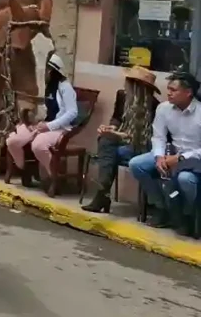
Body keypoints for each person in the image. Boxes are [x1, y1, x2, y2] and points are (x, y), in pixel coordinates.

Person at [82, 66, 161, 213]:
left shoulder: (154, 106)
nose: (125, 84)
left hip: (141, 146)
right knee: (106, 140)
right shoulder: (122, 96)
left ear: (137, 86)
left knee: (112, 152)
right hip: (121, 140)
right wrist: (110, 128)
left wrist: (118, 134)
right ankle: (103, 193)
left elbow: (144, 138)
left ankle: (102, 194)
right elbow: (117, 119)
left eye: (128, 82)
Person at [129, 69, 201, 229]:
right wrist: (159, 156)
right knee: (137, 164)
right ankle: (162, 207)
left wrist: (181, 158)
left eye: (173, 90)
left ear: (188, 92)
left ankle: (187, 214)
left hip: (195, 160)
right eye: (168, 89)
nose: (168, 93)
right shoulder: (164, 108)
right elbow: (159, 137)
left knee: (185, 179)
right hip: (172, 155)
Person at [5, 53, 78, 189]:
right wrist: (31, 121)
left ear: (54, 71)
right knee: (12, 140)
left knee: (38, 145)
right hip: (39, 124)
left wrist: (49, 126)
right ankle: (24, 169)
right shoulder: (42, 85)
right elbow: (38, 106)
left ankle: (53, 177)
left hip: (58, 128)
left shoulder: (65, 88)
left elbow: (72, 112)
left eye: (47, 69)